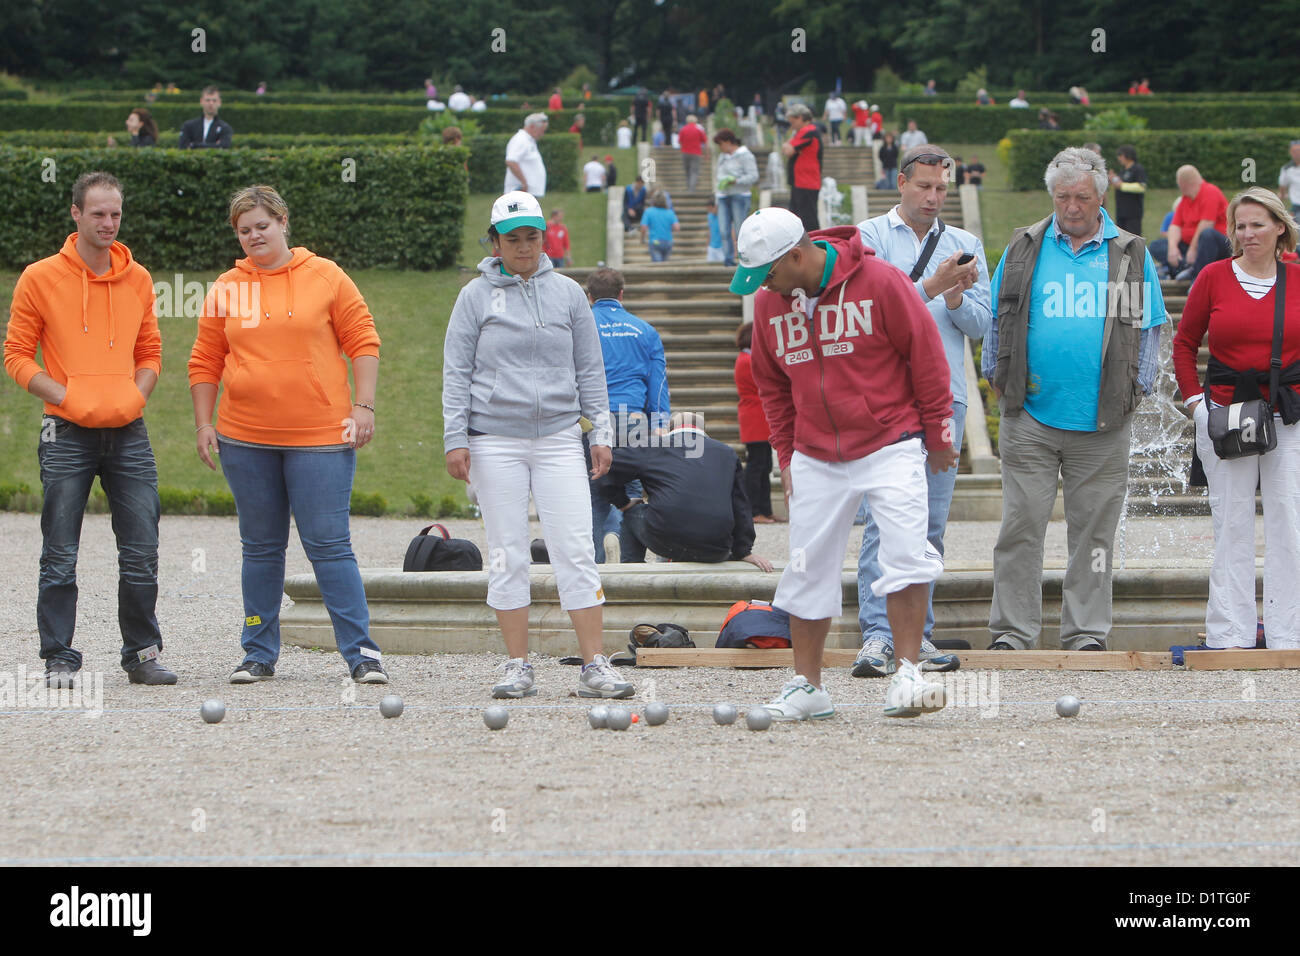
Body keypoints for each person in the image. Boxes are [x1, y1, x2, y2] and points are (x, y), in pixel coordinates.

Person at [732, 207, 957, 720]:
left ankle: (907, 674)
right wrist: (787, 455)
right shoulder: (768, 304)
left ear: (796, 255)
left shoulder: (881, 281)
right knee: (807, 569)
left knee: (905, 553)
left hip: (891, 440)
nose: (762, 285)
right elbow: (771, 386)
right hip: (815, 452)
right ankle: (807, 687)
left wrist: (940, 433)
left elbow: (926, 356)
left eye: (767, 272)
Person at [188, 185, 387, 685]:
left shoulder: (326, 275)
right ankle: (257, 653)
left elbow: (363, 339)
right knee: (259, 548)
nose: (254, 235)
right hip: (244, 437)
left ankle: (362, 654)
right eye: (244, 230)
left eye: (262, 225)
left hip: (321, 436)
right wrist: (204, 422)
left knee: (329, 545)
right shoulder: (227, 287)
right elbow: (205, 360)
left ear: (282, 222)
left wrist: (363, 405)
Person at [442, 191, 631, 700]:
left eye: (531, 237)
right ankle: (516, 664)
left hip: (559, 438)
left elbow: (590, 368)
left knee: (576, 547)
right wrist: (454, 438)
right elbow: (456, 372)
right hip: (493, 440)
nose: (523, 247)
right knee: (507, 553)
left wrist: (602, 433)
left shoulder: (569, 293)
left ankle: (594, 662)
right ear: (495, 242)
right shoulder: (474, 297)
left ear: (543, 238)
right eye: (512, 239)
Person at [982, 147, 1168, 652]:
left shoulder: (1126, 252)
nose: (1072, 207)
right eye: (1062, 197)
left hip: (1103, 420)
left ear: (1101, 195)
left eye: (1082, 197)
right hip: (1031, 418)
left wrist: (1136, 391)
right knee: (1019, 529)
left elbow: (1145, 332)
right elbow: (1000, 320)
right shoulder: (1025, 245)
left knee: (1094, 538)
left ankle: (1085, 633)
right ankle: (1012, 634)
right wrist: (996, 379)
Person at [4, 171, 175, 687]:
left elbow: (150, 353)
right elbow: (15, 356)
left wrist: (134, 395)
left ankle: (141, 654)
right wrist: (68, 397)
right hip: (64, 431)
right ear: (75, 214)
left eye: (115, 214)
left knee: (142, 548)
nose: (108, 223)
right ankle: (60, 655)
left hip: (129, 431)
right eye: (97, 213)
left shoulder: (139, 278)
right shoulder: (39, 277)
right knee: (60, 549)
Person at [852, 145, 991, 677]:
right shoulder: (868, 238)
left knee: (930, 522)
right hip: (883, 394)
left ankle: (919, 635)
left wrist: (957, 298)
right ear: (901, 184)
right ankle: (877, 636)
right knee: (881, 521)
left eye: (941, 189)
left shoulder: (964, 243)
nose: (933, 198)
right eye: (924, 187)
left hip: (945, 396)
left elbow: (980, 326)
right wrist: (935, 285)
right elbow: (867, 311)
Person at [1173, 187, 1300, 649]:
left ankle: (1290, 634)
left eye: (1257, 225)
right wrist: (1195, 404)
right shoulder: (1213, 276)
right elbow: (1184, 343)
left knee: (1290, 520)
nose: (1247, 234)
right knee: (1232, 523)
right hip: (1225, 415)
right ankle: (1230, 634)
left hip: (1288, 415)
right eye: (1240, 226)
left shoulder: (1299, 278)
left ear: (1280, 227)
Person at [594, 413, 773, 570]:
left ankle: (631, 570)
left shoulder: (653, 446)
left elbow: (604, 474)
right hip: (716, 548)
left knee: (635, 511)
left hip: (665, 540)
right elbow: (741, 506)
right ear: (704, 432)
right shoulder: (726, 453)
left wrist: (623, 503)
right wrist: (744, 550)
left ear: (670, 430)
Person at [586, 268, 670, 562]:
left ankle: (593, 565)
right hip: (633, 419)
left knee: (594, 493)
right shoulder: (645, 331)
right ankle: (633, 563)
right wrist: (659, 423)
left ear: (589, 296)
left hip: (592, 419)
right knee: (633, 491)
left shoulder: (582, 326)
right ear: (622, 295)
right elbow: (657, 383)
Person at [1149, 165, 1231, 281]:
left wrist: (1193, 249)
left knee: (1207, 235)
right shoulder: (1185, 200)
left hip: (1214, 248)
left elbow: (1207, 224)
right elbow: (1174, 226)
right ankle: (1187, 268)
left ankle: (1195, 276)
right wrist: (1173, 248)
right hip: (1190, 249)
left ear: (1183, 183)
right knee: (1156, 246)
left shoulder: (1209, 191)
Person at [734, 323, 780, 523]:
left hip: (758, 417)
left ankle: (764, 509)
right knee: (757, 466)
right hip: (756, 417)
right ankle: (754, 510)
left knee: (765, 464)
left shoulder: (747, 358)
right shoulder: (748, 360)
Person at [713, 128, 759, 267]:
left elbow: (753, 176)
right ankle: (728, 259)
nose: (720, 148)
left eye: (721, 144)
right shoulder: (722, 157)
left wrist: (736, 180)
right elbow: (718, 175)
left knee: (741, 230)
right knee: (724, 229)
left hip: (740, 195)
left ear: (728, 142)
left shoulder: (745, 155)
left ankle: (744, 259)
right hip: (723, 195)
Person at [782, 104, 822, 233]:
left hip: (806, 181)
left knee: (808, 220)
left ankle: (816, 247)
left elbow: (788, 150)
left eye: (792, 122)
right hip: (801, 181)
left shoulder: (808, 131)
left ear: (800, 118)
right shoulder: (805, 132)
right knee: (799, 218)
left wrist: (787, 144)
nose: (791, 125)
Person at [504, 113, 548, 197]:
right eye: (541, 130)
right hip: (520, 191)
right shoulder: (520, 140)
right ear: (532, 126)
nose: (542, 134)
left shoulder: (529, 140)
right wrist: (524, 183)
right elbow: (511, 161)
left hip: (527, 192)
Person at [1110, 144, 1147, 235]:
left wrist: (1122, 186)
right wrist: (1113, 179)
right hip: (1121, 211)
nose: (1119, 158)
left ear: (1127, 156)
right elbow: (1121, 182)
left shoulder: (1138, 169)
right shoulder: (1123, 170)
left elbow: (1141, 187)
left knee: (1133, 237)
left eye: (1120, 155)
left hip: (1133, 212)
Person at [640, 190, 680, 262]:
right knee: (665, 265)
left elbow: (643, 228)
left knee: (657, 265)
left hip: (655, 241)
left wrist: (642, 239)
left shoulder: (649, 211)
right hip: (668, 241)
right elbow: (677, 228)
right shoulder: (670, 212)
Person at [678, 113, 707, 193]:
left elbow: (679, 141)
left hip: (685, 153)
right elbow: (704, 141)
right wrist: (706, 153)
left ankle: (689, 187)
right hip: (696, 153)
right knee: (694, 171)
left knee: (687, 171)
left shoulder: (683, 129)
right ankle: (691, 189)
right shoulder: (698, 130)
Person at [1277, 140, 1300, 217]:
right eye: (1294, 151)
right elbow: (1282, 188)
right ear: (1290, 152)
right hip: (1297, 207)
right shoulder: (1286, 169)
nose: (1297, 153)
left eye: (1299, 150)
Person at [706, 199, 725, 263]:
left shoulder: (723, 216)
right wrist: (708, 245)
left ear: (716, 207)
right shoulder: (709, 216)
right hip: (712, 246)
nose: (710, 211)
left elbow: (731, 230)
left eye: (711, 209)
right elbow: (709, 230)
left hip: (721, 247)